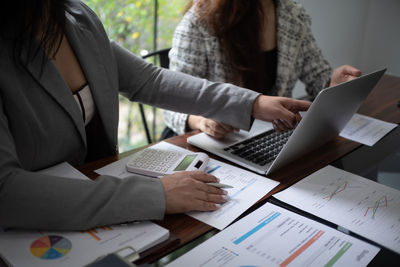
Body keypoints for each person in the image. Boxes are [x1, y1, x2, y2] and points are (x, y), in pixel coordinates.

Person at [0, 0, 312, 230]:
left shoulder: (78, 18)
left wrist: (252, 103)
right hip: (41, 231)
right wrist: (156, 194)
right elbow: (7, 192)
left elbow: (151, 80)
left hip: (109, 220)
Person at [163, 0, 361, 138]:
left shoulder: (293, 16)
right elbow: (172, 103)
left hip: (271, 134)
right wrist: (201, 121)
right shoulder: (200, 21)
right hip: (213, 141)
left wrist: (332, 82)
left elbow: (317, 77)